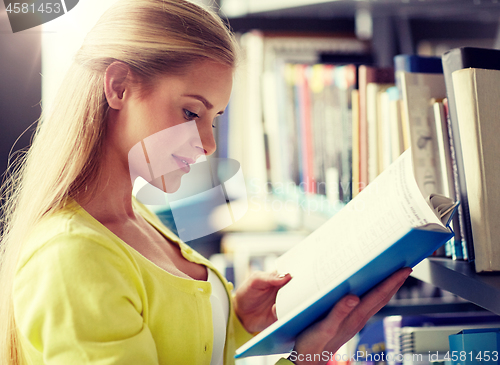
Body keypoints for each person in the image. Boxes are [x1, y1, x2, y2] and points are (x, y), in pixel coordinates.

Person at [0, 0, 411, 364]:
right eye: (191, 113)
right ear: (119, 87)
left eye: (215, 119)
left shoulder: (132, 214)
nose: (209, 144)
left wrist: (234, 321)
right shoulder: (72, 257)